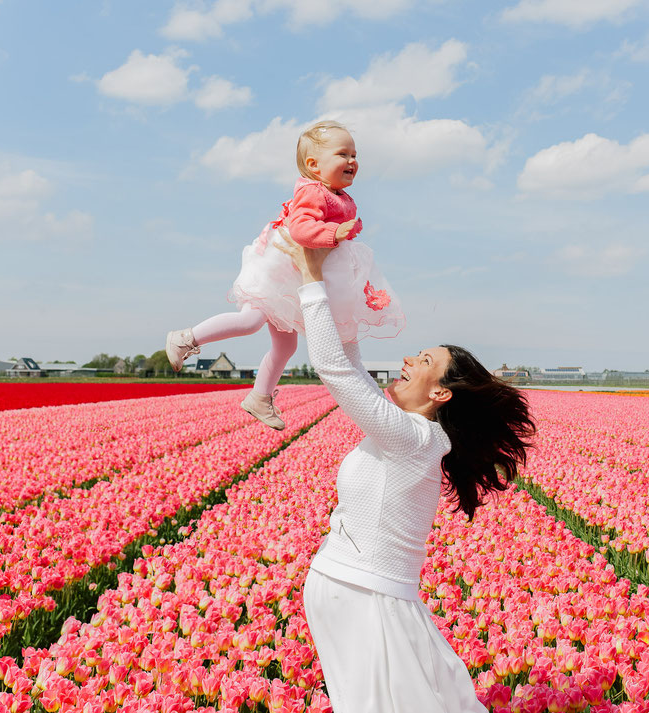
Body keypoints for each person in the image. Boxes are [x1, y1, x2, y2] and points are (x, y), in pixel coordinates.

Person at [273, 227, 536, 713]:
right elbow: (348, 357)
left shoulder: (415, 439)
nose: (407, 359)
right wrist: (337, 286)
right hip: (354, 592)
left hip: (368, 598)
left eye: (425, 359)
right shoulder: (407, 431)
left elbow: (336, 371)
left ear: (441, 393)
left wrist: (312, 278)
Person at [165, 121, 404, 430]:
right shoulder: (313, 191)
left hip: (295, 278)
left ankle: (259, 398)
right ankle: (186, 338)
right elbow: (301, 229)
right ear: (313, 165)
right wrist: (335, 231)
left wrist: (342, 232)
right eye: (342, 154)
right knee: (251, 320)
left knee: (286, 347)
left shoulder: (338, 195)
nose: (352, 161)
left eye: (354, 154)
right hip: (280, 272)